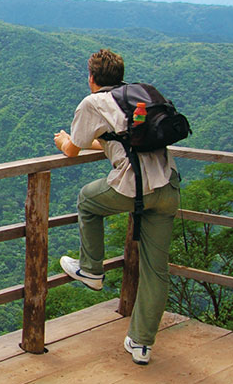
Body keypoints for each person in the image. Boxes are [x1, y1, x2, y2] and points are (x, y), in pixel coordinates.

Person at [53, 49, 180, 365]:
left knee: (87, 200)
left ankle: (92, 269)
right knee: (156, 270)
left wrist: (62, 140)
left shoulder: (93, 103)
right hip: (168, 187)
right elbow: (115, 140)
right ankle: (141, 344)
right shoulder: (136, 98)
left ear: (91, 77)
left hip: (133, 187)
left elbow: (72, 149)